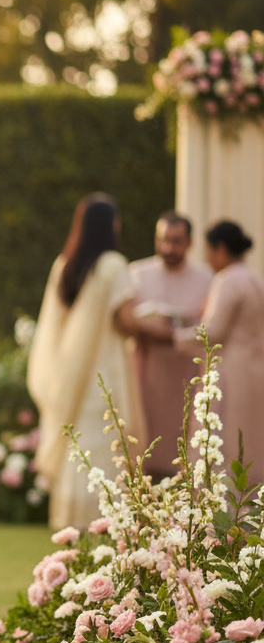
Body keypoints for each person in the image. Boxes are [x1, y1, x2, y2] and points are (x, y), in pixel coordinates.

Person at [28, 193, 145, 529]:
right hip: (105, 376)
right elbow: (127, 322)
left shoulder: (65, 264)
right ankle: (107, 524)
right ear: (110, 225)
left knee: (77, 449)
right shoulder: (113, 265)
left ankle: (71, 522)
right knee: (106, 449)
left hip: (70, 376)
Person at [173, 220, 264, 484]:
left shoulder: (227, 279)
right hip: (255, 372)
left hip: (229, 373)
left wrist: (175, 335)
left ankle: (218, 516)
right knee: (250, 443)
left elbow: (213, 332)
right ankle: (250, 516)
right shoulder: (254, 278)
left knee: (222, 443)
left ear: (220, 250)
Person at [129, 212, 211, 479]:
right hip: (145, 372)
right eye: (164, 240)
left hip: (186, 375)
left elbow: (209, 327)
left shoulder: (206, 278)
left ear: (189, 242)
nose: (168, 248)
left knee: (182, 440)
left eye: (176, 241)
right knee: (143, 441)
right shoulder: (137, 273)